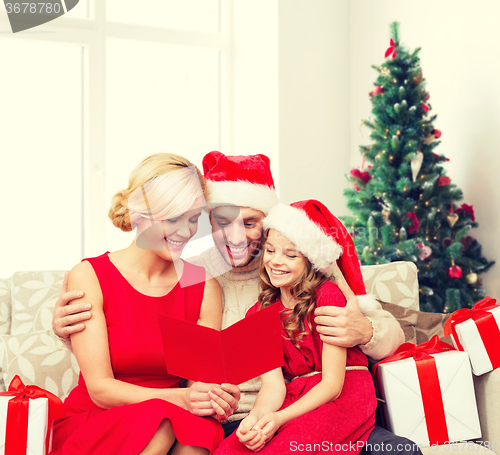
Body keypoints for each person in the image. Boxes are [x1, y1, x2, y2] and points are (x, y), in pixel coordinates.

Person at [53, 152, 418, 455]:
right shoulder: (198, 275)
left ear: (271, 223)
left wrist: (366, 330)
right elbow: (144, 329)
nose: (237, 235)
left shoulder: (299, 267)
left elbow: (393, 336)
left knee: (399, 452)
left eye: (251, 222)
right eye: (222, 221)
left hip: (306, 409)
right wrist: (69, 331)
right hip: (230, 421)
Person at [51, 153, 233, 455]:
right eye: (172, 218)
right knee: (159, 422)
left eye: (193, 219)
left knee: (200, 428)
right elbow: (100, 390)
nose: (185, 232)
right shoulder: (90, 275)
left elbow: (199, 382)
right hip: (99, 419)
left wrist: (214, 396)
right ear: (138, 216)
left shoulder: (203, 286)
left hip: (172, 416)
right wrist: (184, 401)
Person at [214, 200, 377, 454]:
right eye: (270, 251)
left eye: (290, 254)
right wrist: (255, 419)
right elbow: (273, 387)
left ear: (310, 261)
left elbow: (333, 386)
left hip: (343, 395)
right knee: (231, 449)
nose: (276, 262)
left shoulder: (328, 296)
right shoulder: (256, 314)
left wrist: (279, 419)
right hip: (295, 395)